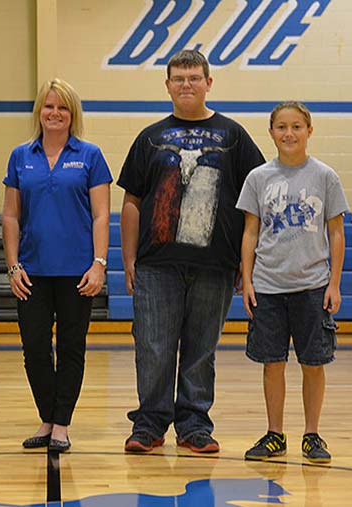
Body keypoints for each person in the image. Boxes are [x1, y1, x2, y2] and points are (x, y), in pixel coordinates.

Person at [118, 49, 265, 453]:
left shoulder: (234, 136)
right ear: (167, 85)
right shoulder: (149, 137)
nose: (186, 85)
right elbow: (131, 201)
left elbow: (256, 200)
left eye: (194, 78)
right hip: (156, 265)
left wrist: (244, 262)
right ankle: (149, 424)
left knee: (201, 349)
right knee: (153, 347)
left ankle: (194, 425)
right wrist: (128, 258)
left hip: (214, 265)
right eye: (179, 78)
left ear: (208, 83)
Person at [1, 78, 111, 453]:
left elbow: (100, 215)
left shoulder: (90, 155)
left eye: (62, 107)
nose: (55, 113)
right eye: (49, 106)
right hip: (32, 271)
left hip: (77, 272)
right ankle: (46, 417)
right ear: (39, 112)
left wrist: (99, 264)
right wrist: (13, 267)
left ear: (72, 114)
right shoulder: (21, 156)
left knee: (71, 348)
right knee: (33, 348)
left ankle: (61, 424)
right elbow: (11, 216)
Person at [237, 101, 348, 464]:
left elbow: (336, 232)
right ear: (271, 132)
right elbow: (250, 232)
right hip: (268, 285)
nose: (289, 133)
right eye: (282, 127)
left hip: (312, 286)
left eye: (296, 126)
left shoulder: (325, 176)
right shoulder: (258, 178)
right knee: (272, 363)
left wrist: (333, 284)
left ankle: (312, 434)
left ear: (309, 131)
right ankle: (274, 434)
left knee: (313, 362)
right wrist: (248, 280)